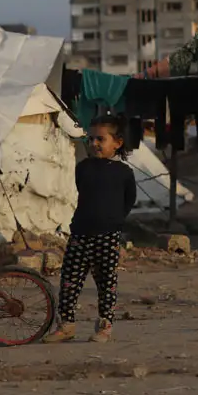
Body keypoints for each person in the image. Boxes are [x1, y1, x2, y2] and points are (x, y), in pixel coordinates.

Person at [44, 114, 137, 344]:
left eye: (101, 139)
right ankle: (66, 325)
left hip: (107, 236)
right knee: (69, 281)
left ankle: (104, 326)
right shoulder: (83, 168)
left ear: (117, 142)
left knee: (106, 283)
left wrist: (113, 220)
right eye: (92, 139)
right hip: (80, 233)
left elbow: (129, 201)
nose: (94, 143)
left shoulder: (124, 173)